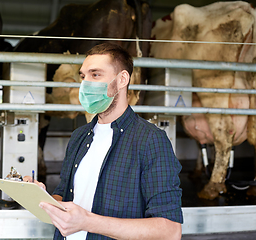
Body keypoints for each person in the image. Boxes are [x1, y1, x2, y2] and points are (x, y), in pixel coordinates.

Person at [25, 42, 183, 240]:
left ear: (122, 79)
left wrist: (88, 222)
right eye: (83, 76)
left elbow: (170, 231)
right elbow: (64, 198)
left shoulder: (151, 140)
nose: (85, 84)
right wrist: (40, 198)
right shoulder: (79, 137)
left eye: (95, 75)